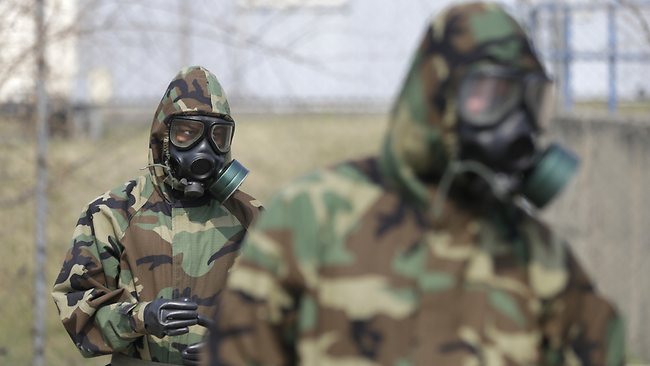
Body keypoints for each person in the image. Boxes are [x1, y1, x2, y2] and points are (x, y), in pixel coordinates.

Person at [208, 3, 625, 365]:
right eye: (490, 96)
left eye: (529, 100)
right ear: (434, 96)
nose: (514, 122)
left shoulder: (538, 256)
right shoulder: (311, 219)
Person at [52, 65, 262, 366]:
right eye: (186, 133)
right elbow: (76, 313)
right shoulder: (113, 214)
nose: (204, 149)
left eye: (218, 136)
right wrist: (140, 317)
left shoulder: (251, 219)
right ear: (163, 136)